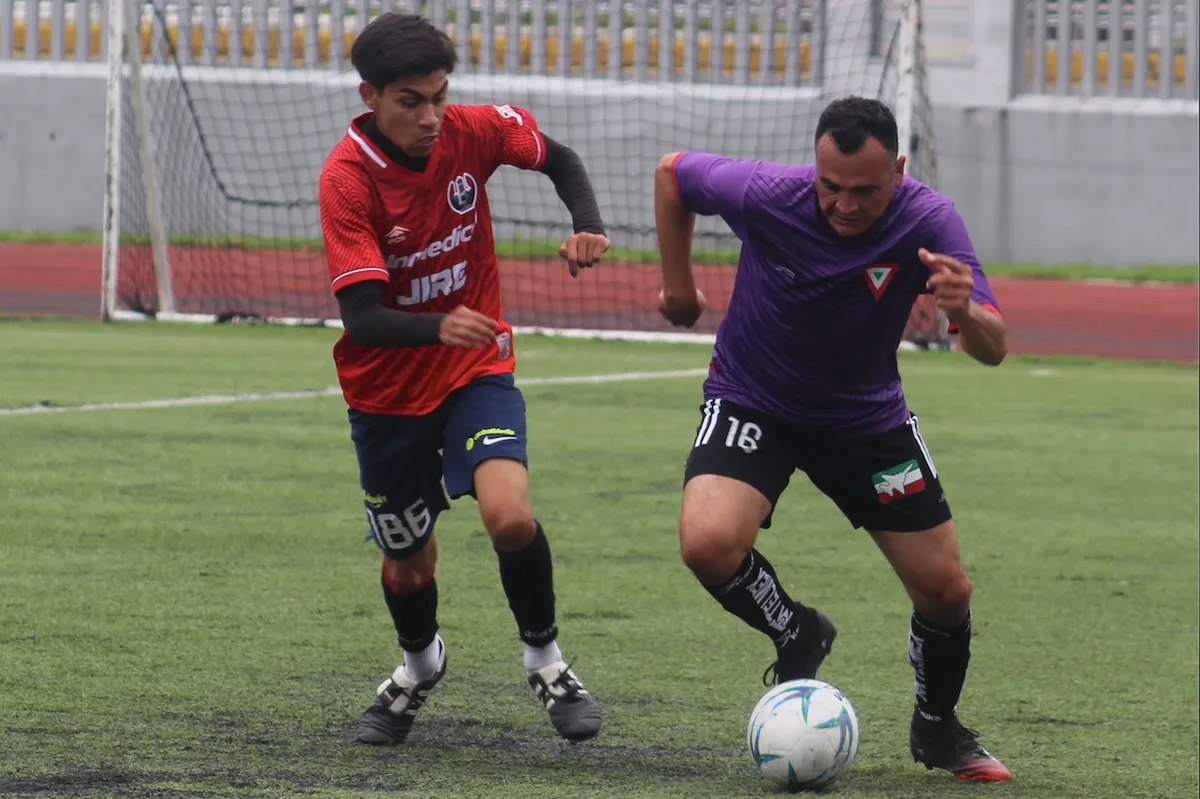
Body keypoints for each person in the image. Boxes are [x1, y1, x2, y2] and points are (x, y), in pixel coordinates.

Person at [653, 96, 1013, 782]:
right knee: (706, 541)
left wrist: (965, 311)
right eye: (832, 187)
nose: (845, 205)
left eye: (866, 191)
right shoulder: (766, 193)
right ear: (814, 168)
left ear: (899, 171)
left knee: (946, 590)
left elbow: (992, 349)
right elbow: (673, 173)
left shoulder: (929, 219)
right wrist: (679, 289)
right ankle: (796, 629)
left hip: (865, 420)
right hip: (754, 397)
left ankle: (937, 728)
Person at [318, 12, 608, 747]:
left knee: (509, 514)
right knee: (409, 568)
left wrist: (587, 222)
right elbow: (361, 315)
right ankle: (419, 666)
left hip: (475, 367)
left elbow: (561, 159)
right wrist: (438, 323)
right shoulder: (347, 179)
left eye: (440, 95)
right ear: (371, 96)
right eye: (411, 100)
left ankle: (546, 660)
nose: (431, 115)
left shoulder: (471, 131)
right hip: (385, 394)